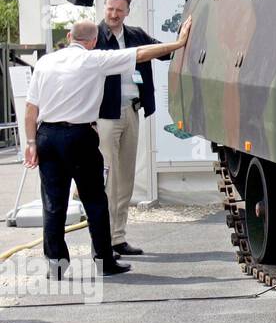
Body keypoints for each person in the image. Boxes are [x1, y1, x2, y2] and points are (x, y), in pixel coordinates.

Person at [24, 17, 192, 278]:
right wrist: (179, 43)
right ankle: (104, 261)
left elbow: (30, 108)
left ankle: (56, 266)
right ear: (92, 42)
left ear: (69, 37)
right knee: (95, 200)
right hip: (79, 135)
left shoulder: (45, 62)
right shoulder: (94, 60)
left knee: (53, 203)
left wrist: (31, 142)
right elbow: (141, 53)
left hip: (47, 135)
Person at [96, 0, 168, 256]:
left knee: (125, 177)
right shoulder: (96, 36)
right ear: (105, 8)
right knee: (108, 179)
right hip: (105, 115)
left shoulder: (136, 35)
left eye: (119, 10)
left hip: (132, 111)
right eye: (110, 9)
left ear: (127, 11)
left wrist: (186, 39)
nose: (113, 14)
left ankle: (118, 238)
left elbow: (165, 52)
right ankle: (102, 240)